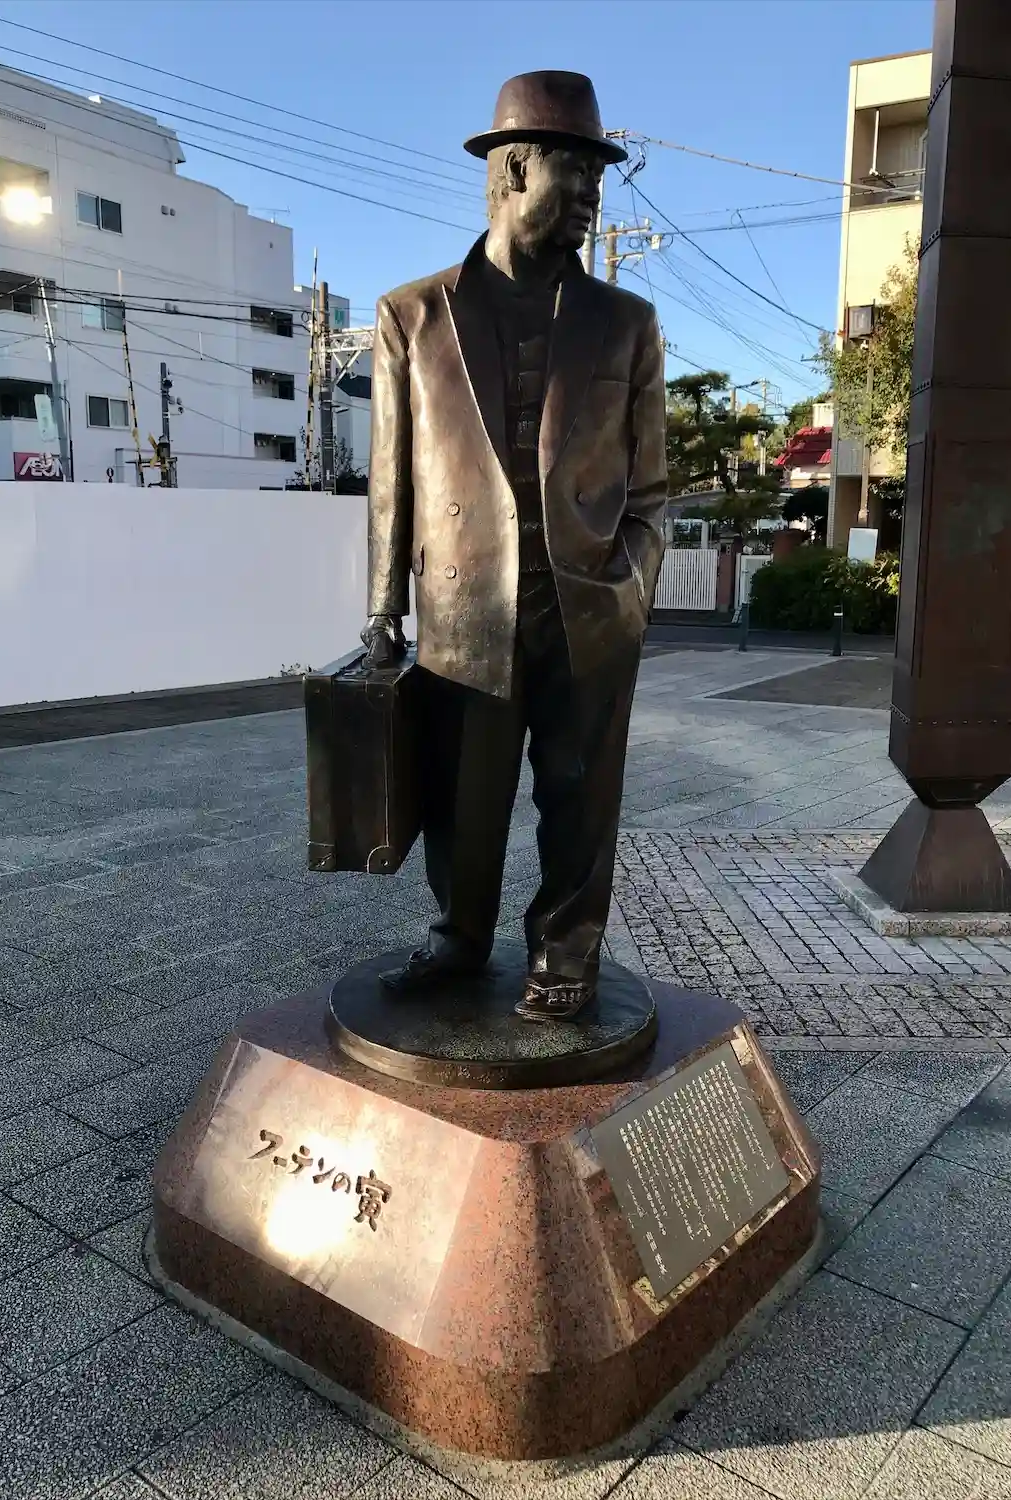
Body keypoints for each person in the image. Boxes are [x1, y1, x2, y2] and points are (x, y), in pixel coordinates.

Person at [361, 71, 666, 1021]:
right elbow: (391, 480)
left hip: (589, 607)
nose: (590, 198)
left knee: (580, 797)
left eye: (597, 180)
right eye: (577, 175)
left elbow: (650, 488)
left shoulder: (626, 323)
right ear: (516, 169)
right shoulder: (412, 314)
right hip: (463, 604)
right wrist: (382, 608)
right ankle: (458, 938)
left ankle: (565, 950)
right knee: (463, 796)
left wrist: (631, 587)